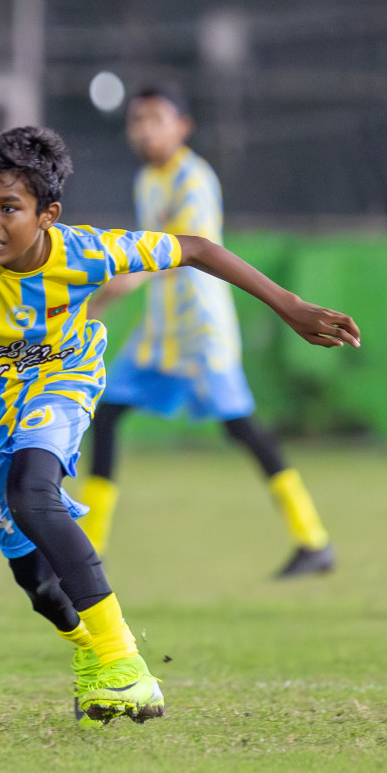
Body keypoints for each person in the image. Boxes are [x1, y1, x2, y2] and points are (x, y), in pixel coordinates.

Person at [0, 127, 358, 726]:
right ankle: (94, 661)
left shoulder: (85, 252)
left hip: (64, 385)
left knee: (33, 491)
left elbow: (197, 248)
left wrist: (290, 305)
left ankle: (126, 665)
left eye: (9, 208)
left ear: (48, 215)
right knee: (38, 585)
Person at [79, 85, 334, 578]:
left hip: (199, 333)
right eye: (137, 119)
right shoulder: (148, 180)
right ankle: (89, 550)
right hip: (160, 331)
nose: (144, 128)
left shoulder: (193, 179)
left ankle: (313, 539)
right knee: (106, 415)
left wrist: (103, 296)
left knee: (243, 429)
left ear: (182, 126)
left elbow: (178, 254)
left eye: (156, 117)